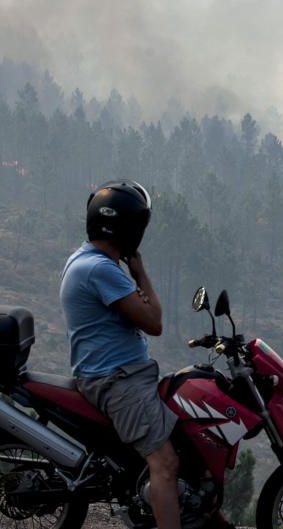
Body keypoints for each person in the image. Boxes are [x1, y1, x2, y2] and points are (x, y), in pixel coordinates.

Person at [60, 179, 181, 529]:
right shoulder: (101, 270)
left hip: (119, 374)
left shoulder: (89, 260)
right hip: (117, 380)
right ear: (125, 227)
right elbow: (154, 322)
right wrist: (141, 272)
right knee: (166, 464)